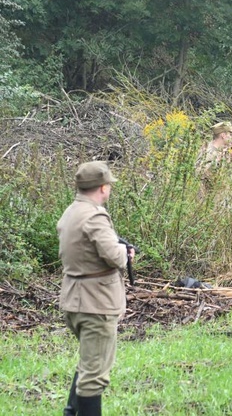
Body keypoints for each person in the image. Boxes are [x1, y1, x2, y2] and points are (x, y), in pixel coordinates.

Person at [58, 161, 135, 416]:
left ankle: (70, 413)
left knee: (89, 363)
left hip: (75, 300)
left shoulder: (71, 211)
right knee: (94, 377)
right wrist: (125, 251)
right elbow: (114, 256)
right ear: (103, 187)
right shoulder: (95, 215)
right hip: (96, 303)